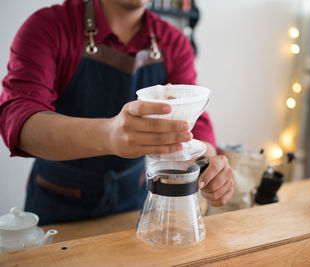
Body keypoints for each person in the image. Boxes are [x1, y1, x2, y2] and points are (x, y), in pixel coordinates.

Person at [0, 0, 233, 225]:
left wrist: (207, 164)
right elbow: (20, 120)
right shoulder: (48, 26)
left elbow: (195, 122)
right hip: (58, 204)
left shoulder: (173, 42)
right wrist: (109, 134)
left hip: (134, 202)